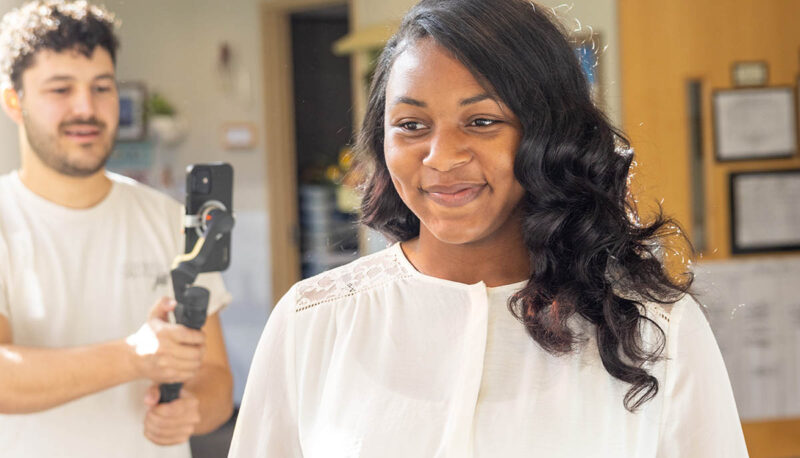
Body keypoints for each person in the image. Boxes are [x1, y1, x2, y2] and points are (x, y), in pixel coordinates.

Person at [230, 0, 747, 456]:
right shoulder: (313, 321)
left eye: (482, 122)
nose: (441, 157)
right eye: (411, 125)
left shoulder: (654, 326)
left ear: (550, 136)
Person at [0, 2, 233, 457]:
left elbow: (218, 382)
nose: (86, 108)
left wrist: (192, 408)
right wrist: (132, 355)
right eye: (60, 89)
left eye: (102, 87)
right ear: (14, 101)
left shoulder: (169, 219)